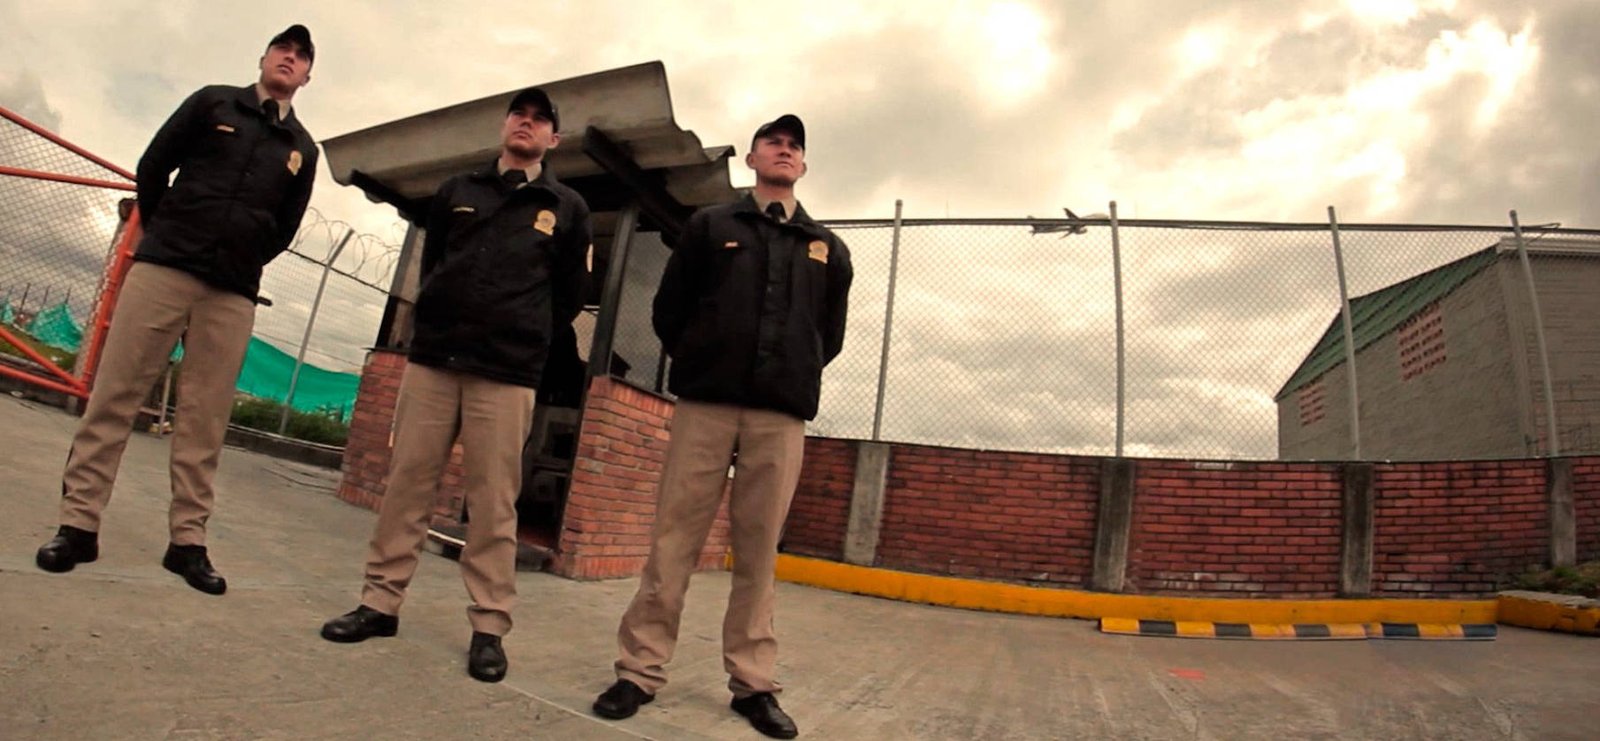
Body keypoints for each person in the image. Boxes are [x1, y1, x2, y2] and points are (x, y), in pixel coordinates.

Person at [592, 114, 853, 739]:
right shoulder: (711, 226)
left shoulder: (827, 248)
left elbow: (829, 335)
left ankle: (753, 684)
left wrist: (791, 370)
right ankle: (639, 671)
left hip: (780, 415)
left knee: (759, 554)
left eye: (794, 146)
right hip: (706, 406)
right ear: (753, 158)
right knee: (673, 541)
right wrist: (704, 359)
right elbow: (669, 311)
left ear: (804, 165)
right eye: (773, 142)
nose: (784, 150)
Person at [319, 88, 591, 684]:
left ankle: (489, 627)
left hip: (507, 373)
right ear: (505, 125)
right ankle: (379, 603)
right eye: (519, 114)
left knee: (493, 502)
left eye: (540, 119)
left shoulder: (567, 208)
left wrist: (523, 334)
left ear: (554, 139)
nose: (526, 123)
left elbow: (568, 297)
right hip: (434, 362)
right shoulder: (457, 190)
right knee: (407, 486)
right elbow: (435, 264)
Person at [35, 25, 319, 596]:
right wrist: (168, 229)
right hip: (165, 269)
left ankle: (187, 542)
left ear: (308, 76)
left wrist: (244, 256)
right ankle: (78, 526)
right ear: (263, 57)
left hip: (232, 292)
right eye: (283, 49)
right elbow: (153, 166)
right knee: (116, 394)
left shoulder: (302, 150)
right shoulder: (213, 103)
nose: (290, 58)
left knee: (205, 419)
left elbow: (285, 227)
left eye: (301, 56)